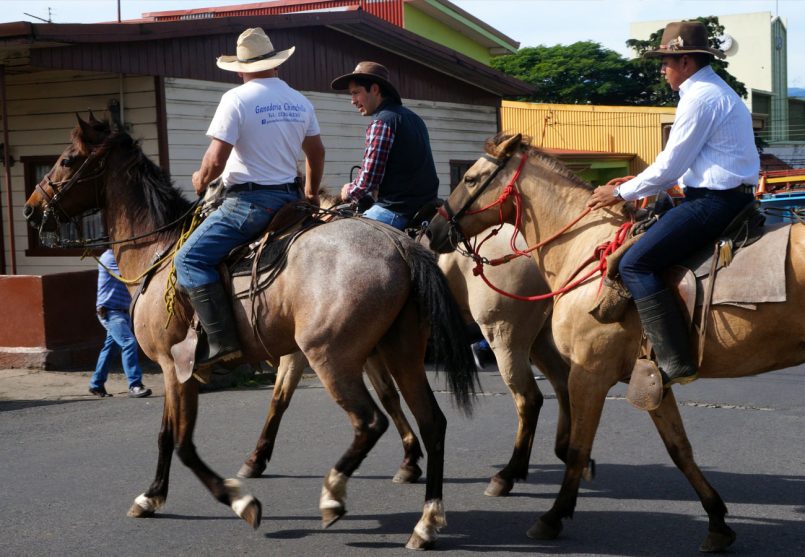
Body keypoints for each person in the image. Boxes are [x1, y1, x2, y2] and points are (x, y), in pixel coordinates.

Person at [587, 21, 759, 387]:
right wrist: (634, 184)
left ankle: (674, 359)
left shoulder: (701, 98)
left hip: (714, 203)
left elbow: (670, 167)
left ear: (685, 62)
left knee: (634, 263)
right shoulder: (714, 91)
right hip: (725, 197)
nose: (662, 69)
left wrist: (618, 193)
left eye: (665, 62)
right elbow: (679, 166)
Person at [173, 27, 325, 372]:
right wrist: (312, 194)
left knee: (189, 261)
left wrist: (200, 180)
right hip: (290, 202)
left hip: (250, 204)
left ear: (241, 68)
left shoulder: (236, 99)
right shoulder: (299, 100)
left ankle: (222, 340)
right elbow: (316, 153)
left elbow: (215, 161)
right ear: (275, 64)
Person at [331, 61, 439, 230]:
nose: (352, 101)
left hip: (397, 209)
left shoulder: (382, 122)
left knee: (339, 236)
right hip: (427, 205)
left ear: (375, 89)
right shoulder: (413, 118)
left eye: (356, 93)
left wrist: (349, 191)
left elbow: (369, 177)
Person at [89, 249, 152, 398]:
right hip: (110, 312)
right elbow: (133, 276)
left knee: (110, 348)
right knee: (129, 343)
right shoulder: (110, 257)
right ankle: (135, 385)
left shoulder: (122, 256)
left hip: (123, 311)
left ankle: (96, 384)